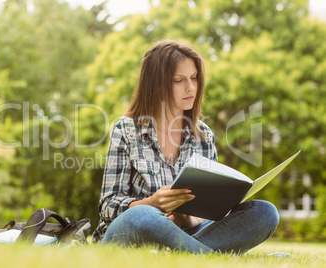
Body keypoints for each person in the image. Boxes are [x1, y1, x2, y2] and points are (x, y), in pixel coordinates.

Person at [92, 40, 279, 254]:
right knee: (143, 216)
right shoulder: (126, 129)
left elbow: (212, 210)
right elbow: (108, 206)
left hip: (187, 233)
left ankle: (187, 253)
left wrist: (188, 218)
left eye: (194, 78)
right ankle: (212, 257)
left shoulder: (203, 135)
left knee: (265, 212)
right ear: (156, 85)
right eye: (179, 80)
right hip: (132, 233)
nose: (191, 87)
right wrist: (152, 203)